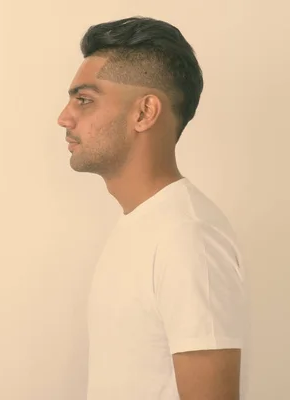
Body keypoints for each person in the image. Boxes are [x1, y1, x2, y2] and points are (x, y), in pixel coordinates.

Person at [57, 17, 248, 399]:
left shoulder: (188, 237)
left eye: (84, 100)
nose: (64, 117)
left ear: (144, 113)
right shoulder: (144, 225)